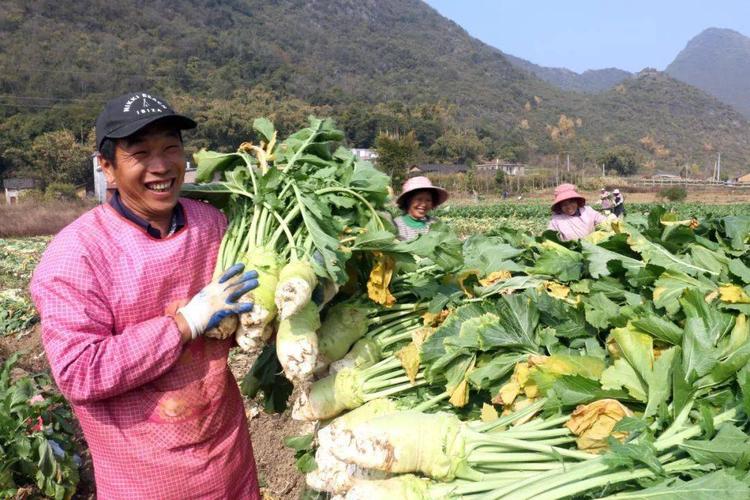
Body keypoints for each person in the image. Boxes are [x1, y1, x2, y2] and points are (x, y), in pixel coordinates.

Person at [30, 92, 262, 499]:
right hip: (145, 478)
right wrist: (184, 324)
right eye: (140, 153)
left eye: (171, 148)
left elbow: (252, 301)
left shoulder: (212, 225)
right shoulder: (77, 255)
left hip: (228, 459)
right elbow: (79, 371)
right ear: (108, 168)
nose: (161, 166)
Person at [393, 176, 449, 241]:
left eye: (428, 200)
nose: (423, 204)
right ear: (408, 201)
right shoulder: (396, 225)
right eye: (419, 199)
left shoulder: (435, 224)